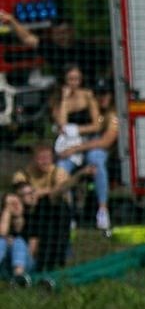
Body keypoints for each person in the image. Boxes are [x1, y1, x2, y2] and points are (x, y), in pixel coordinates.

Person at [50, 65, 110, 233]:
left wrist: (77, 129)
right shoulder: (58, 100)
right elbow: (61, 124)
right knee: (62, 170)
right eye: (70, 79)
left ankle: (103, 210)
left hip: (88, 141)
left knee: (96, 161)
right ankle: (69, 215)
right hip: (68, 146)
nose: (74, 83)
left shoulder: (88, 96)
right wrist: (64, 99)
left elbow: (97, 124)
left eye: (77, 79)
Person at [11, 143, 73, 272]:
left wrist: (38, 193)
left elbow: (60, 190)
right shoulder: (22, 174)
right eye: (41, 158)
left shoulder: (58, 172)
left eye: (48, 158)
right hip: (28, 216)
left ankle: (54, 259)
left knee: (54, 206)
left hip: (53, 216)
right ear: (33, 159)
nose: (45, 162)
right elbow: (19, 191)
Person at [2, 187, 33, 285]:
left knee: (18, 241)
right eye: (10, 204)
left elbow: (32, 251)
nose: (15, 206)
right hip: (5, 265)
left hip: (26, 263)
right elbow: (2, 233)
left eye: (16, 202)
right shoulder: (4, 221)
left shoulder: (31, 220)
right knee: (1, 241)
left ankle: (18, 279)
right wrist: (7, 212)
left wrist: (14, 246)